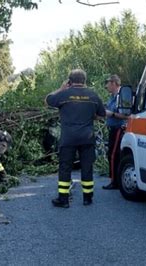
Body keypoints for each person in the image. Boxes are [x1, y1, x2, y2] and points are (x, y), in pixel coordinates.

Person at [45, 69, 106, 208]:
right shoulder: (93, 95)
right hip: (87, 137)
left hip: (68, 138)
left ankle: (63, 200)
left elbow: (48, 100)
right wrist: (90, 116)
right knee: (87, 167)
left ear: (70, 81)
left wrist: (61, 89)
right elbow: (102, 115)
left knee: (65, 168)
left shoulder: (64, 95)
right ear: (85, 81)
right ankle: (87, 198)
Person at [102, 75, 129, 190]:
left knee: (113, 155)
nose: (106, 86)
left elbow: (126, 115)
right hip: (113, 129)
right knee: (113, 155)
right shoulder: (112, 97)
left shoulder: (122, 96)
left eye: (107, 83)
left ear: (113, 83)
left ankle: (115, 182)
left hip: (119, 129)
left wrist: (111, 114)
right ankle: (116, 180)